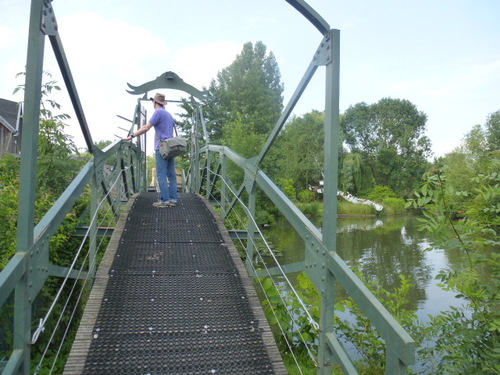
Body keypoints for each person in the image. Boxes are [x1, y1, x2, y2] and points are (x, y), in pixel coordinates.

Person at [124, 92, 178, 207]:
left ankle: (164, 201)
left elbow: (146, 127)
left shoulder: (158, 113)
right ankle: (173, 199)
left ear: (155, 102)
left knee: (161, 174)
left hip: (162, 148)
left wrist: (132, 136)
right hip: (171, 147)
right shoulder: (169, 115)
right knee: (171, 174)